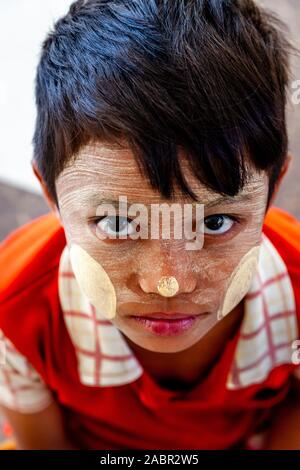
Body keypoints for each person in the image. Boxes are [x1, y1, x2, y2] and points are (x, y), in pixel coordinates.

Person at [1, 0, 300, 450]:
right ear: (52, 196)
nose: (168, 283)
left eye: (216, 222)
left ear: (273, 189)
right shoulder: (15, 304)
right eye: (118, 223)